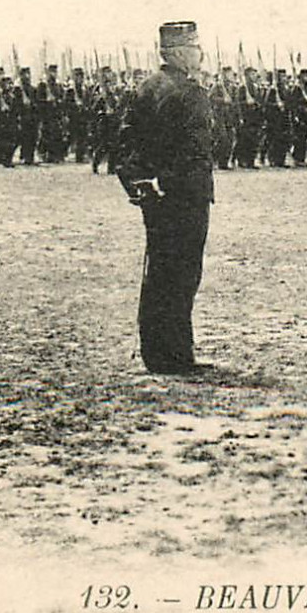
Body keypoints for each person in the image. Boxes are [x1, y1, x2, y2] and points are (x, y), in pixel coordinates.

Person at [115, 21, 215, 375]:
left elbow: (124, 144)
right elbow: (197, 153)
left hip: (154, 197)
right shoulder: (191, 93)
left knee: (158, 271)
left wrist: (141, 183)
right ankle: (176, 356)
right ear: (179, 54)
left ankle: (156, 353)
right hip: (186, 196)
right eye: (195, 48)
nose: (200, 55)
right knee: (183, 273)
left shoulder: (145, 89)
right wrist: (169, 182)